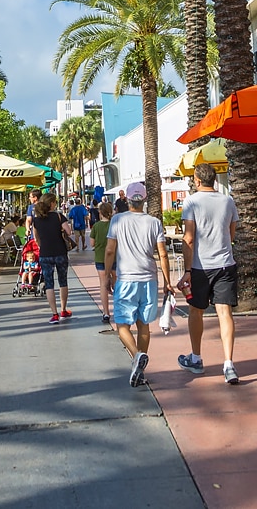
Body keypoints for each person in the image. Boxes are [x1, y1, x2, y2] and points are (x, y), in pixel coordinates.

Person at [101, 182, 172, 386]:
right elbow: (163, 254)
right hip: (149, 279)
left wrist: (107, 275)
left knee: (122, 325)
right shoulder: (154, 222)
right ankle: (140, 367)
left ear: (128, 200)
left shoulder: (117, 220)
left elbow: (109, 250)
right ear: (144, 199)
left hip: (126, 279)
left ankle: (136, 357)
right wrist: (167, 281)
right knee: (144, 326)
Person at [176, 163, 241, 384]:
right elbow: (231, 234)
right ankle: (229, 365)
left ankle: (196, 359)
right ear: (214, 180)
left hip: (200, 267)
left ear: (196, 180)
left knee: (196, 312)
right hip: (225, 264)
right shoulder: (228, 200)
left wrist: (186, 271)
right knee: (225, 313)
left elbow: (189, 237)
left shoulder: (191, 202)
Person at [31, 193, 75, 323]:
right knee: (63, 281)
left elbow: (36, 238)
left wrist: (41, 245)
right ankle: (63, 310)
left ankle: (54, 314)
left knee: (49, 284)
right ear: (51, 204)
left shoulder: (37, 220)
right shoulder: (58, 216)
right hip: (60, 252)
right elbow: (68, 232)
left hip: (45, 254)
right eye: (55, 202)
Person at [90, 199, 115, 322]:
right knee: (117, 283)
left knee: (103, 284)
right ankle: (119, 308)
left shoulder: (96, 226)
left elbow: (92, 243)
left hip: (100, 258)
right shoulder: (114, 225)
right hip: (115, 257)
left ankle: (106, 312)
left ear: (100, 213)